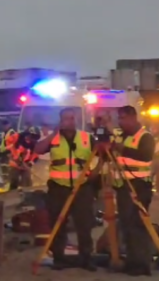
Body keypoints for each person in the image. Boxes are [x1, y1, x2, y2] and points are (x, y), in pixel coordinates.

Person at [34, 108, 97, 271]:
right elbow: (38, 150)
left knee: (84, 223)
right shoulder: (53, 139)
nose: (69, 121)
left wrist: (94, 175)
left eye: (71, 118)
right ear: (60, 121)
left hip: (81, 187)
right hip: (58, 188)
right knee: (57, 223)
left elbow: (103, 153)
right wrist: (53, 133)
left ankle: (86, 257)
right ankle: (59, 258)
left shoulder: (86, 138)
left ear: (75, 119)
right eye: (65, 119)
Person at [114, 105, 156, 276]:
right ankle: (132, 261)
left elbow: (145, 155)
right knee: (126, 225)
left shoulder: (145, 137)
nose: (121, 122)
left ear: (133, 117)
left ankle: (141, 263)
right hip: (124, 186)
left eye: (123, 118)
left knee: (137, 225)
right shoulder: (124, 137)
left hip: (139, 187)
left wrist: (120, 148)